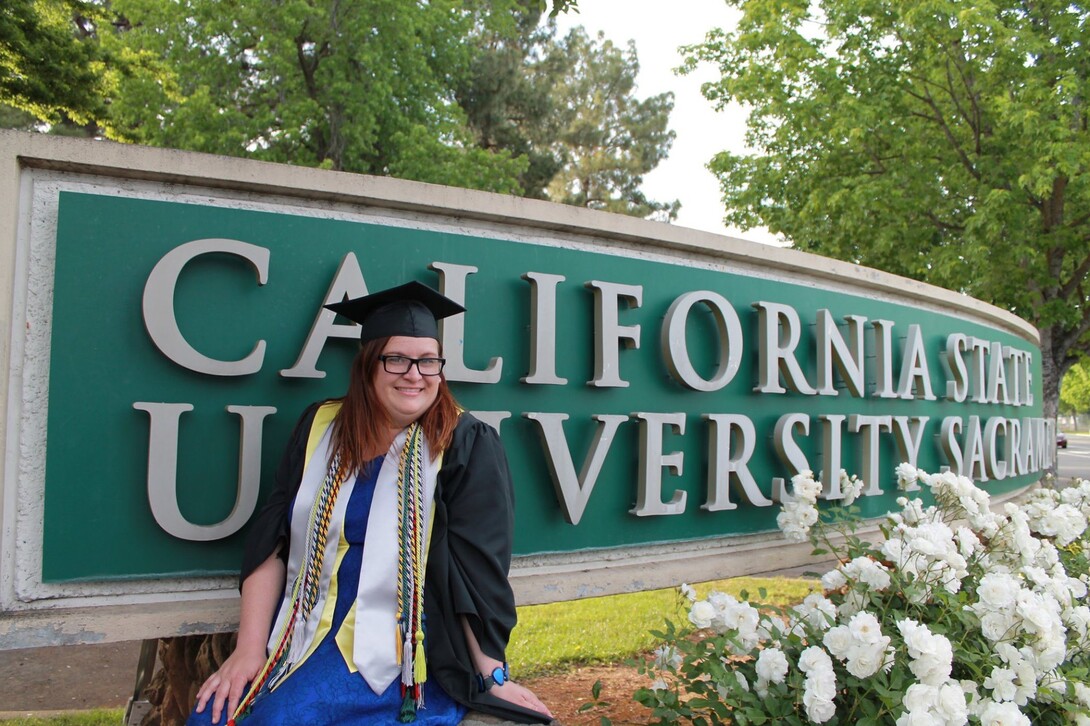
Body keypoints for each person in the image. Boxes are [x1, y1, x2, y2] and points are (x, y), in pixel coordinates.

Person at [188, 282, 553, 726]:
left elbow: (477, 570)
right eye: (397, 358)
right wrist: (248, 651)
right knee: (213, 715)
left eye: (428, 360)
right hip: (301, 631)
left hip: (399, 651)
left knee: (280, 719)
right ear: (368, 365)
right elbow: (274, 540)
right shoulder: (320, 428)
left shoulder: (464, 442)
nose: (415, 374)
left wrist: (492, 674)